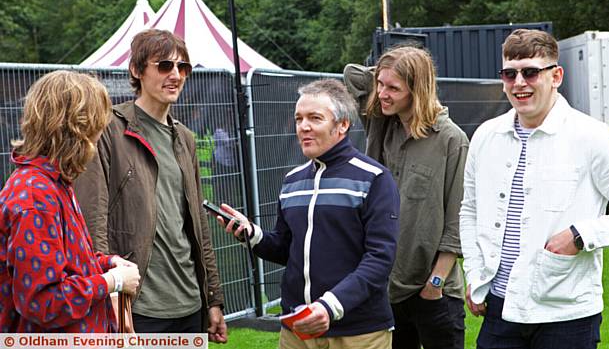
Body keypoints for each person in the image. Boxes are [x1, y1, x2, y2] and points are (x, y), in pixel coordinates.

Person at [459, 29, 609, 349]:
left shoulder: (590, 137)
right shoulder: (486, 137)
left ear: (556, 75)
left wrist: (581, 235)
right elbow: (470, 210)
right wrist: (474, 274)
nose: (518, 83)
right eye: (509, 73)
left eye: (530, 72)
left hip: (566, 312)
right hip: (500, 307)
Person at [218, 79, 400, 348]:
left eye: (315, 118)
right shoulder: (292, 181)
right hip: (297, 329)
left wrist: (329, 307)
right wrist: (253, 235)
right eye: (298, 118)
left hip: (358, 331)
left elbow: (380, 259)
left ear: (342, 125)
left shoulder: (374, 178)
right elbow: (286, 249)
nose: (303, 126)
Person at [74, 29, 227, 342]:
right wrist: (110, 292)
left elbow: (198, 226)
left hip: (190, 303)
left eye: (182, 68)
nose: (175, 75)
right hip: (138, 304)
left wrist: (213, 299)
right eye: (164, 66)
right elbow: (93, 222)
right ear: (136, 70)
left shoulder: (185, 138)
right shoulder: (108, 129)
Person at [343, 46, 468, 349]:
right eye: (381, 85)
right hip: (387, 289)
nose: (383, 93)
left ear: (418, 89)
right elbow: (351, 73)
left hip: (434, 292)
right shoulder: (382, 121)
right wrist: (393, 67)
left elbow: (457, 223)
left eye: (393, 88)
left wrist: (434, 285)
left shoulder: (452, 140)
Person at [0, 71, 140, 332]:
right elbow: (43, 302)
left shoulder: (54, 183)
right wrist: (112, 281)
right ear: (77, 129)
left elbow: (63, 264)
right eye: (98, 125)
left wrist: (107, 263)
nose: (100, 136)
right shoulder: (35, 198)